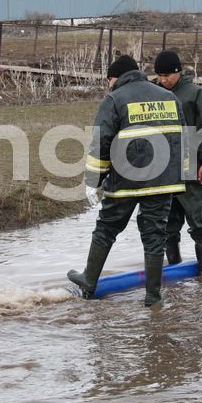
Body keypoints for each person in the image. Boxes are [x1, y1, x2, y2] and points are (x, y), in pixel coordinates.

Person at [67, 55, 185, 307]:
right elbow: (183, 137)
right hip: (164, 180)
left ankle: (89, 281)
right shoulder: (169, 97)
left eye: (109, 80)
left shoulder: (114, 99)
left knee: (107, 227)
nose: (109, 85)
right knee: (155, 235)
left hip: (126, 180)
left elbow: (101, 143)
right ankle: (153, 297)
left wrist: (92, 181)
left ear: (115, 77)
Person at [153, 50, 202, 274]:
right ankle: (174, 271)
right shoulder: (153, 93)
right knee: (169, 224)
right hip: (163, 169)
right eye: (159, 75)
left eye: (167, 75)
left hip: (191, 166)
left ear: (178, 72)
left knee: (198, 221)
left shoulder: (196, 94)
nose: (163, 80)